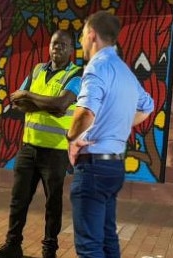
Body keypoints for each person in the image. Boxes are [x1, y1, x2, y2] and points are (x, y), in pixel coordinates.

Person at [0, 30, 83, 258]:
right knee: (18, 199)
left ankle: (49, 251)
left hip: (55, 151)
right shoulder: (37, 70)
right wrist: (39, 102)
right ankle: (12, 245)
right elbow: (16, 100)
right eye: (54, 43)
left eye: (63, 44)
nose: (57, 47)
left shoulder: (77, 75)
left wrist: (30, 95)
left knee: (53, 203)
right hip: (28, 148)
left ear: (71, 50)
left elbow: (61, 105)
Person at [66, 11, 154, 258]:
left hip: (93, 166)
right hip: (114, 166)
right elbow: (148, 105)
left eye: (83, 35)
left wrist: (71, 139)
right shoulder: (124, 71)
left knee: (89, 246)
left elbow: (85, 113)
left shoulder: (97, 68)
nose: (82, 41)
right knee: (107, 239)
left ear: (92, 35)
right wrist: (120, 126)